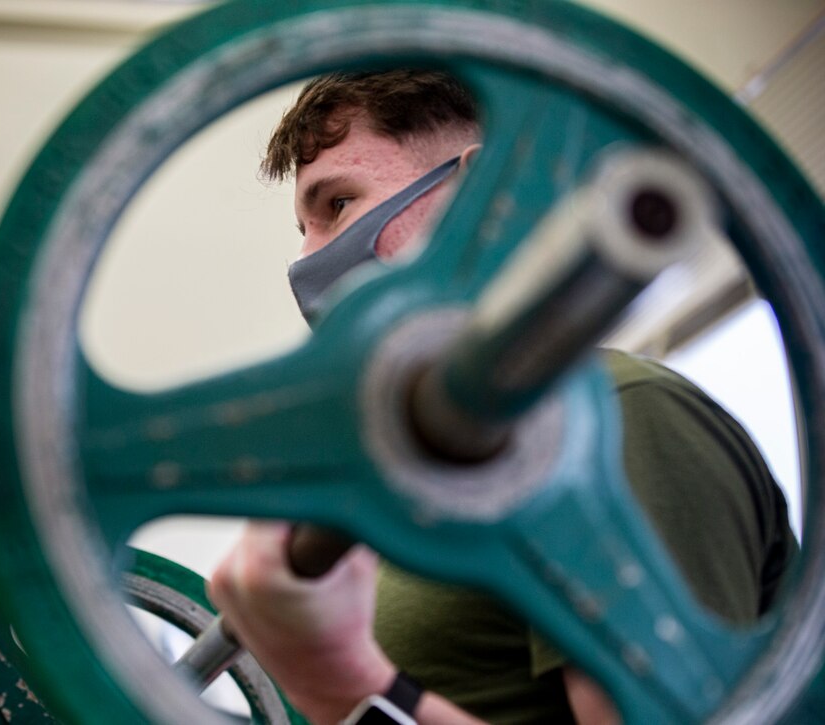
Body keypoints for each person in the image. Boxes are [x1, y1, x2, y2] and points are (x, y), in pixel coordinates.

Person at [208, 70, 796, 725]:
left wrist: (350, 688)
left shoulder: (621, 419)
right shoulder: (405, 495)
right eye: (303, 228)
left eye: (338, 204)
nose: (307, 261)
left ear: (477, 195)